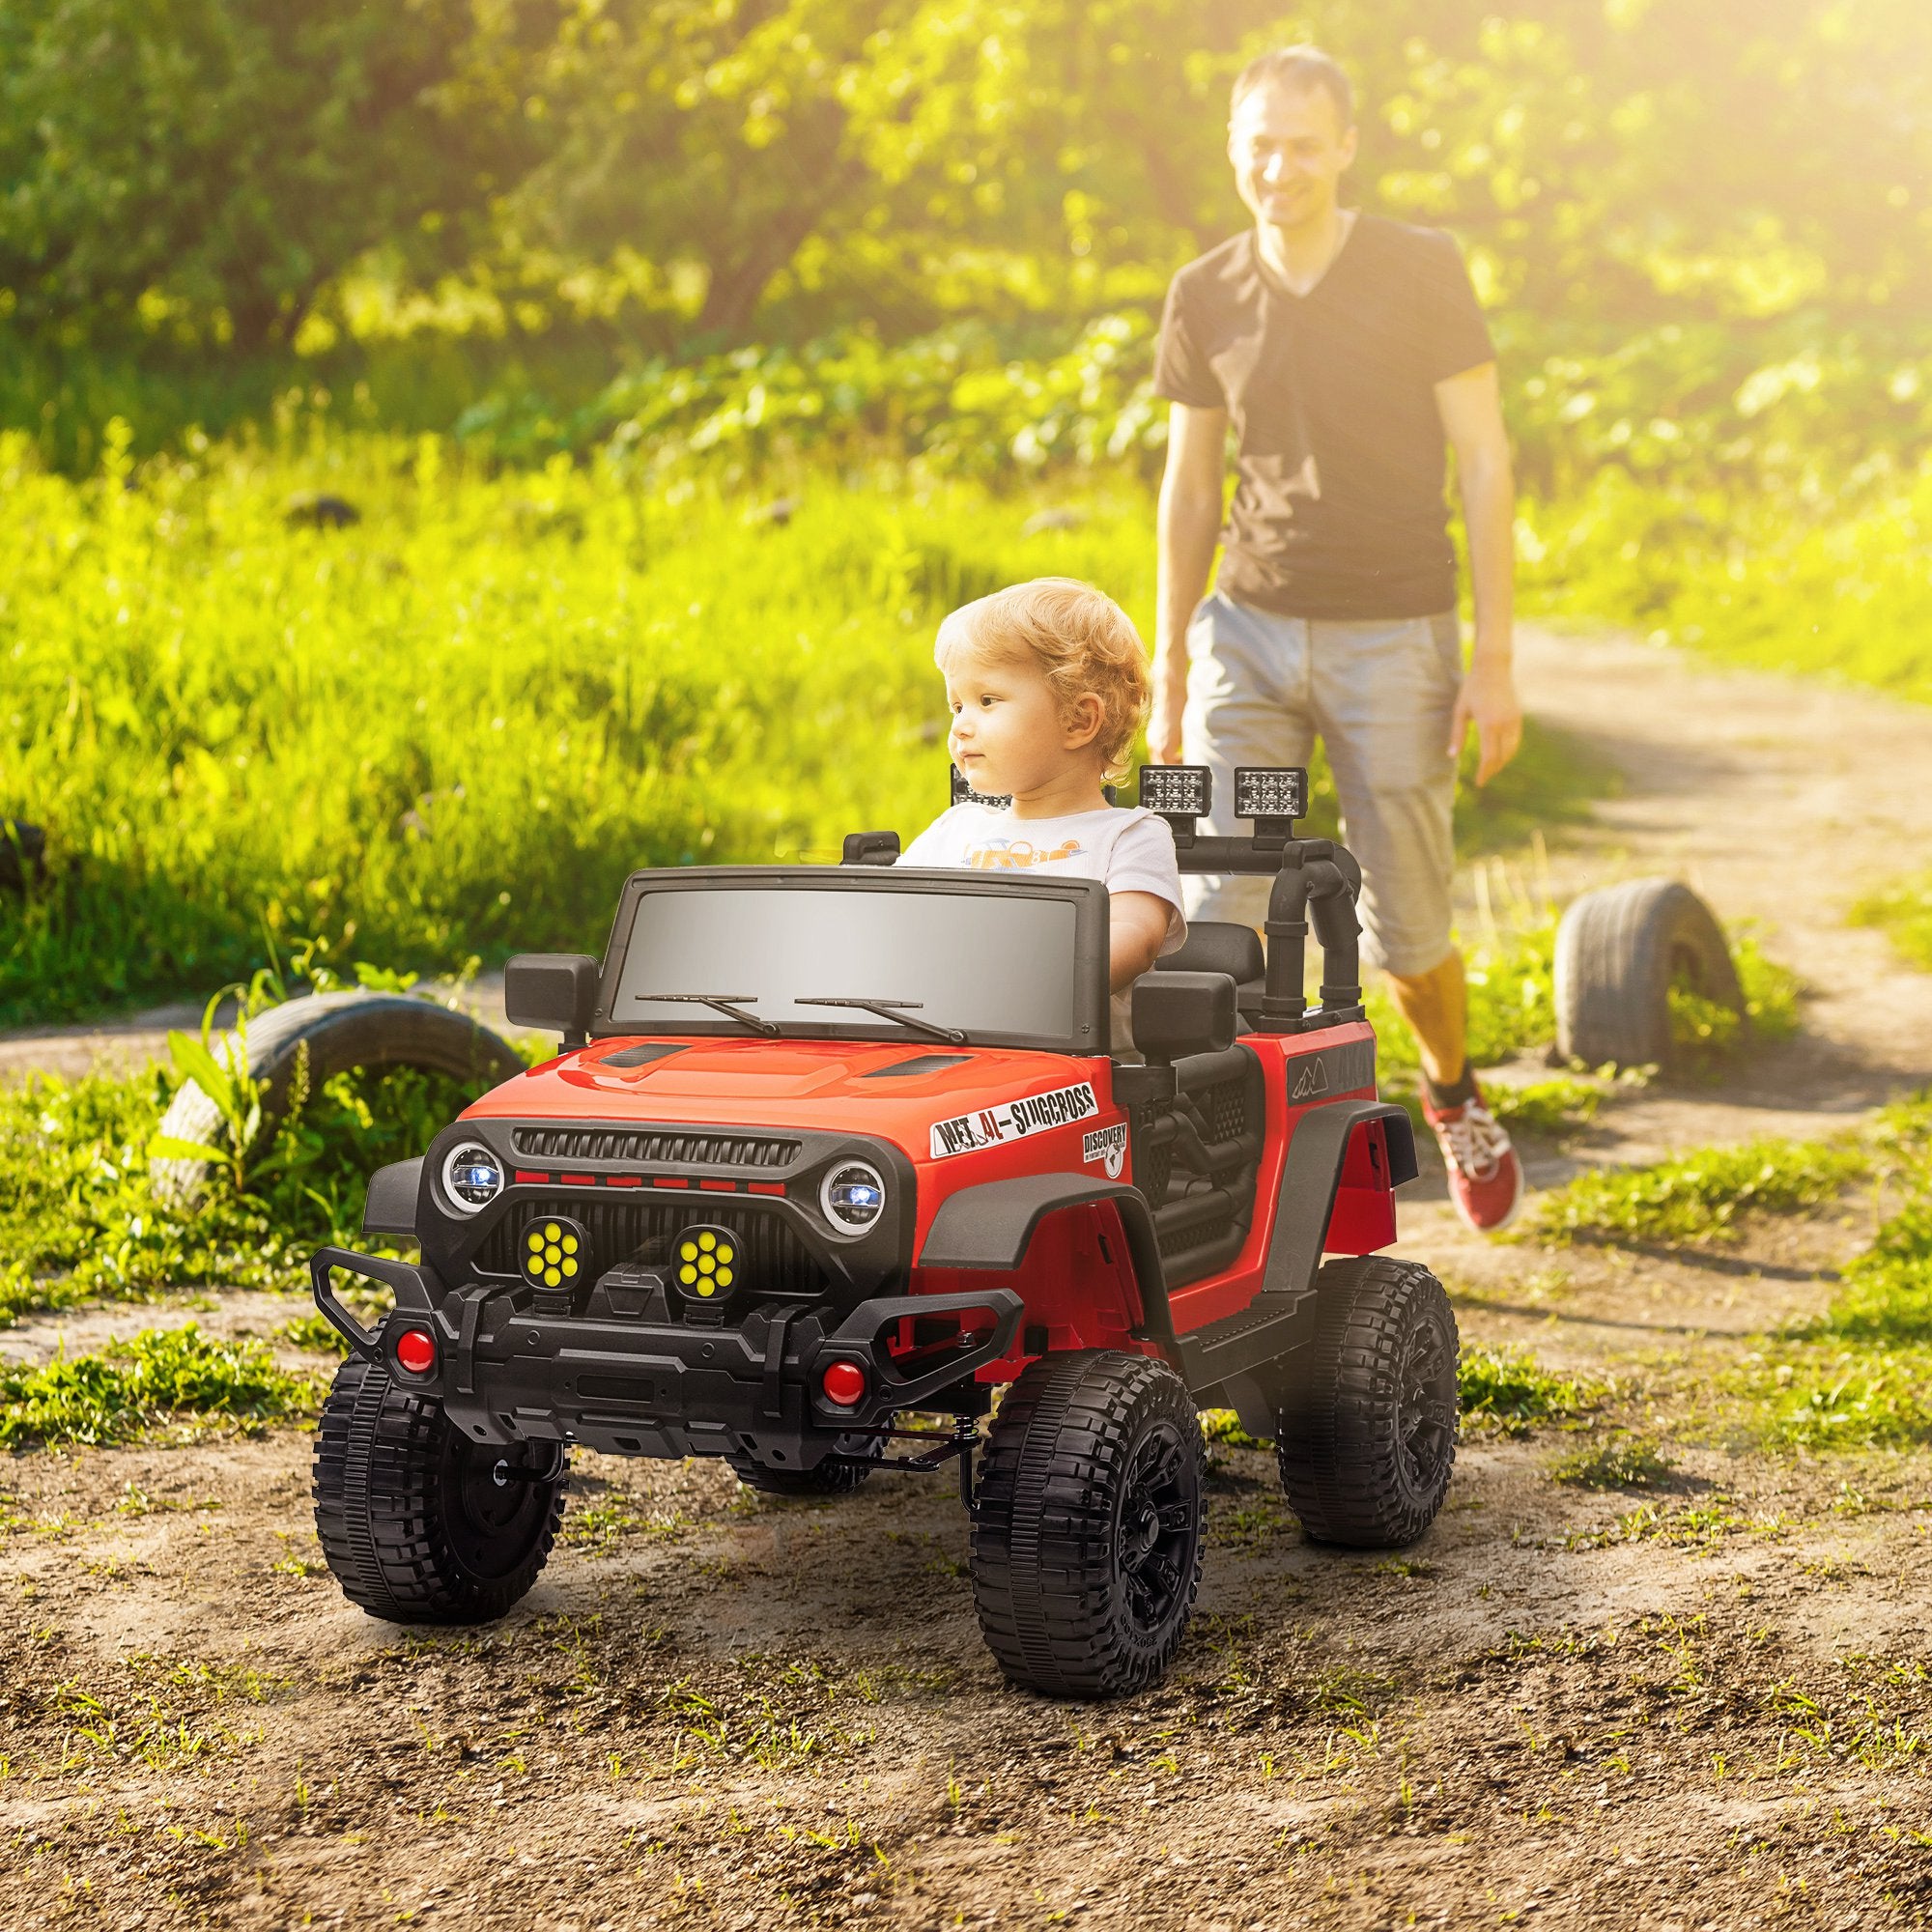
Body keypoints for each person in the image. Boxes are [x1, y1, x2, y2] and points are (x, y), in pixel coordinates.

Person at [1149, 43, 1526, 1232]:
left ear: (1345, 145)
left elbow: (1483, 457)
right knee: (1218, 888)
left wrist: (1494, 655)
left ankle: (1453, 1091)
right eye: (1258, 144)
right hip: (1248, 639)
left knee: (1407, 922)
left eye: (1303, 144)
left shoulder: (1419, 269)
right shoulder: (1203, 291)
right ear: (1232, 151)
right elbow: (1189, 486)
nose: (1279, 167)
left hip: (1393, 642)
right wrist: (1167, 664)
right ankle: (1225, 1153)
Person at [898, 578, 1186, 1051]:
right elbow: (890, 920)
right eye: (956, 704)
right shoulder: (955, 829)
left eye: (986, 701)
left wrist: (1023, 986)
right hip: (942, 1053)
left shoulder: (1129, 836)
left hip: (1079, 1080)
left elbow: (1134, 938)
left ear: (1078, 720)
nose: (960, 726)